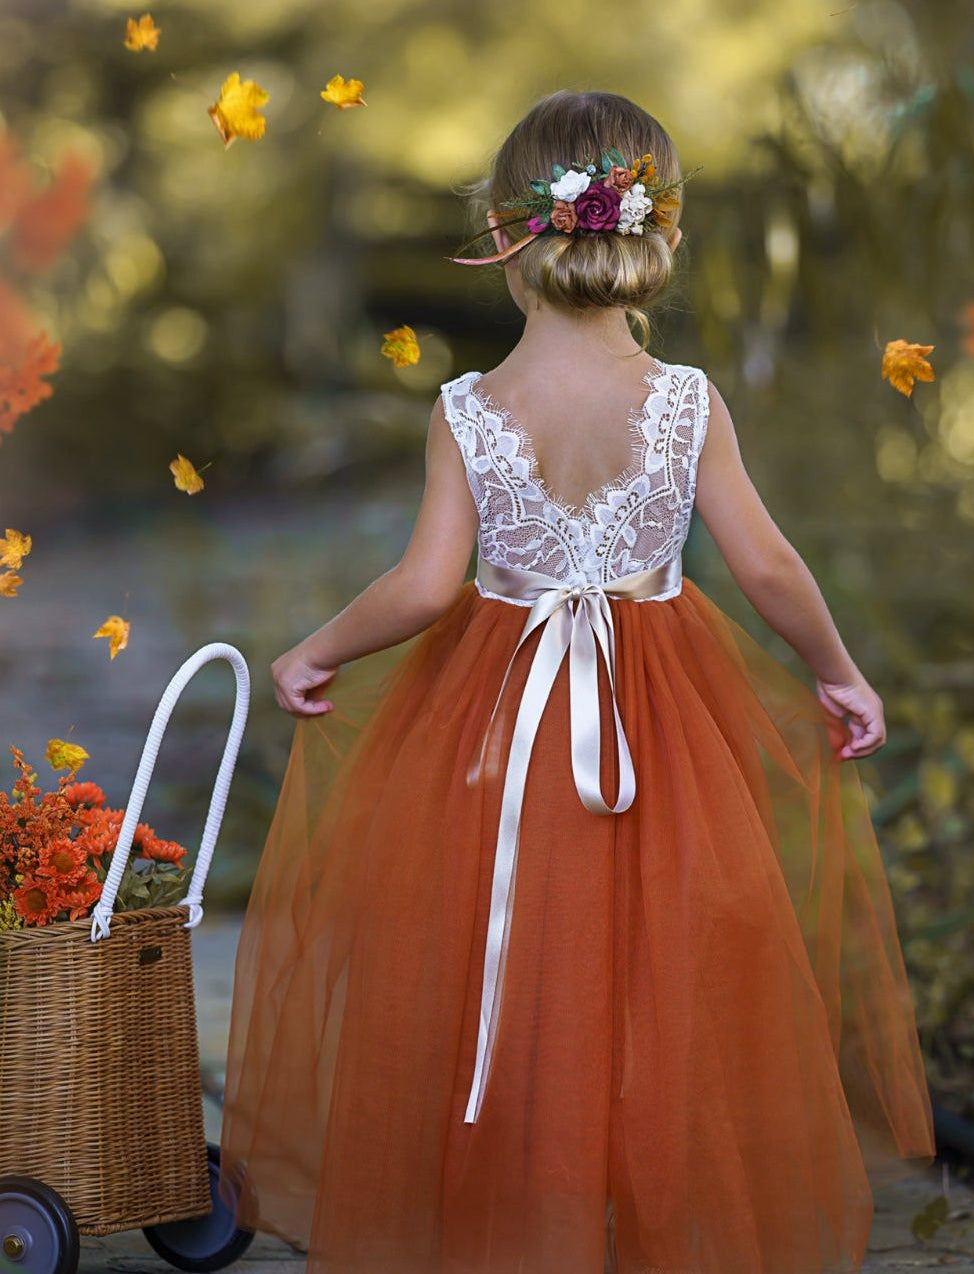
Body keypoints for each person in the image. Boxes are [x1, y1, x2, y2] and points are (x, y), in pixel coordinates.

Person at [219, 89, 935, 1274]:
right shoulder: (685, 401)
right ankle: (650, 1211)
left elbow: (423, 585)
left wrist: (314, 650)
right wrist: (837, 671)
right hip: (667, 721)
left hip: (494, 725)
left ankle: (526, 1221)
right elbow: (763, 560)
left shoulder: (468, 409)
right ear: (652, 230)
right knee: (662, 963)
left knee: (502, 961)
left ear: (508, 237)